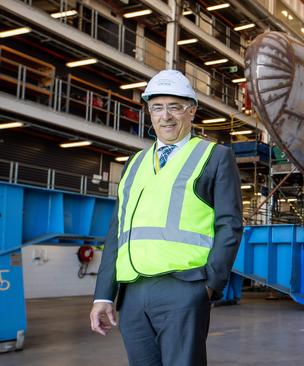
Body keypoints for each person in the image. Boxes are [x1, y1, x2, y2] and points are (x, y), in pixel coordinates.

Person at [90, 69, 243, 366]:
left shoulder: (214, 157)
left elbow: (230, 225)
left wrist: (209, 285)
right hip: (133, 292)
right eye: (157, 107)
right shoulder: (135, 164)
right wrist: (103, 295)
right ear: (149, 112)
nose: (166, 116)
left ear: (192, 111)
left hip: (184, 287)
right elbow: (117, 233)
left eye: (175, 106)